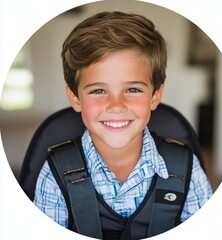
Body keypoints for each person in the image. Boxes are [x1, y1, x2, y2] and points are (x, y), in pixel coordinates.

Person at [33, 11, 212, 239]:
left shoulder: (186, 168)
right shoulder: (54, 173)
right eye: (98, 91)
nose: (116, 105)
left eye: (132, 89)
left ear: (155, 96)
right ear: (75, 98)